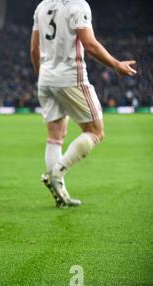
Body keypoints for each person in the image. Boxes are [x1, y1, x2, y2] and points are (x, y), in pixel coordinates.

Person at [30, 0, 136, 207]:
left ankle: (59, 195)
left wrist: (42, 76)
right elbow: (90, 44)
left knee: (55, 136)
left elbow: (34, 50)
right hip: (70, 77)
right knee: (96, 131)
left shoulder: (42, 6)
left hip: (45, 78)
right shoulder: (78, 5)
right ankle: (57, 172)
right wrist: (116, 65)